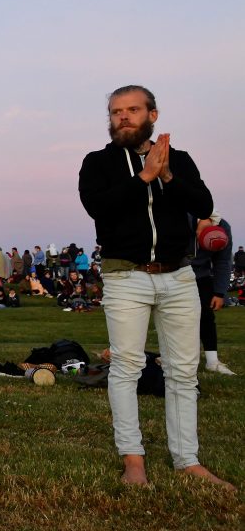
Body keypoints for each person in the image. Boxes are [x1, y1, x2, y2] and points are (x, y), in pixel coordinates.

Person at [78, 84, 233, 489]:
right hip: (125, 275)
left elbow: (203, 205)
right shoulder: (98, 162)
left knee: (183, 372)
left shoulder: (178, 160)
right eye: (115, 112)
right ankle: (133, 460)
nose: (123, 117)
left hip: (179, 275)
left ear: (153, 114)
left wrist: (166, 175)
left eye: (131, 110)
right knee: (126, 368)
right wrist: (145, 176)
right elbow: (99, 207)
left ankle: (188, 460)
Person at [190, 213, 235, 375]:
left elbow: (222, 262)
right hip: (176, 273)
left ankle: (212, 361)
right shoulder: (182, 218)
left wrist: (219, 292)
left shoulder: (224, 228)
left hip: (202, 276)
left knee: (206, 318)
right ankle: (172, 358)